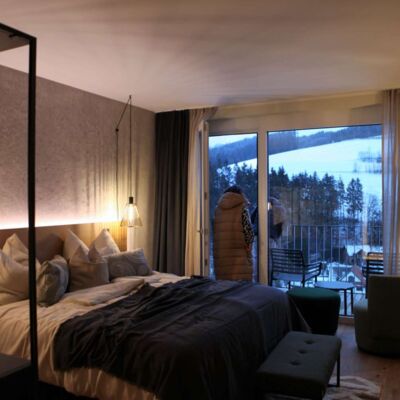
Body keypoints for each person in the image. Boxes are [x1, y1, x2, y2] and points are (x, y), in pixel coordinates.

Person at [213, 185, 254, 280]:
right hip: (239, 257)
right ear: (240, 194)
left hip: (221, 255)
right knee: (241, 287)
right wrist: (248, 249)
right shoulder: (242, 209)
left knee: (225, 287)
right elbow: (249, 233)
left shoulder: (217, 210)